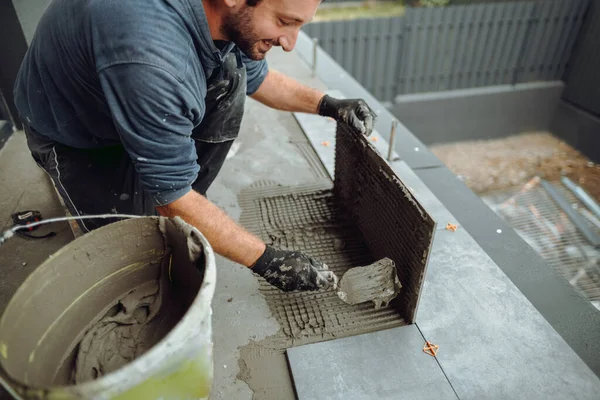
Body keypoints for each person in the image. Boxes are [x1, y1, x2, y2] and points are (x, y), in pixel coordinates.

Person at [13, 0, 377, 292]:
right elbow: (170, 196)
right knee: (134, 257)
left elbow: (258, 78)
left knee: (232, 75)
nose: (290, 42)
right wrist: (266, 259)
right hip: (77, 135)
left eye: (299, 25)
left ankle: (187, 192)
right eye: (284, 22)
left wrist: (328, 104)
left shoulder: (222, 17)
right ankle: (181, 198)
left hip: (137, 95)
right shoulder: (152, 56)